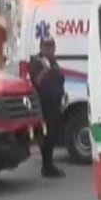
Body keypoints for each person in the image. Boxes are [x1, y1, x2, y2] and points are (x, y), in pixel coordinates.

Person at [30, 38, 66, 178]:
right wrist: (45, 69)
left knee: (53, 135)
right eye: (47, 46)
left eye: (52, 46)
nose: (50, 49)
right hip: (44, 105)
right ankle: (47, 167)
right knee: (47, 136)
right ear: (41, 47)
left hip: (55, 103)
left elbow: (59, 78)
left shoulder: (53, 61)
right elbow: (36, 82)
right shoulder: (38, 62)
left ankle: (49, 165)